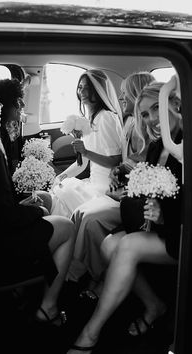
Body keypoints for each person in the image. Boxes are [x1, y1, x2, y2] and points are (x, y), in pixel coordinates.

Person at [66, 81, 182, 353]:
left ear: (175, 104)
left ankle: (89, 335)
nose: (152, 119)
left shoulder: (183, 148)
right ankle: (154, 304)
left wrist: (165, 216)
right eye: (144, 114)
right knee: (108, 244)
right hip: (158, 227)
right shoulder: (156, 148)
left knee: (127, 246)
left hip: (178, 232)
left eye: (156, 108)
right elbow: (153, 188)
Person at [0, 82, 76, 325]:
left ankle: (26, 290)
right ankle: (49, 306)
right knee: (66, 226)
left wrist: (26, 208)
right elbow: (5, 217)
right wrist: (36, 212)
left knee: (42, 207)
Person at [67, 72, 155, 296]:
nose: (121, 96)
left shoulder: (148, 130)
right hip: (123, 190)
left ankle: (87, 276)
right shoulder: (129, 123)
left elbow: (142, 167)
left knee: (89, 218)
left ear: (140, 96)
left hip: (134, 197)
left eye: (125, 93)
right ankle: (81, 271)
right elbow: (127, 161)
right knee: (79, 213)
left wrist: (122, 169)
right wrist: (120, 170)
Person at [50, 69, 124, 219]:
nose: (82, 92)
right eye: (80, 87)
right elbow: (82, 163)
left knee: (61, 198)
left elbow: (115, 161)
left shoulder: (106, 118)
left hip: (105, 189)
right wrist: (61, 177)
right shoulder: (89, 120)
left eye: (87, 88)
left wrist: (86, 152)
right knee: (59, 188)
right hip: (92, 183)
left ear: (98, 92)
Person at [0, 78, 52, 212]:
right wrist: (19, 207)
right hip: (2, 211)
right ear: (5, 104)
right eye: (18, 100)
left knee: (46, 197)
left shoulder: (6, 130)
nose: (23, 105)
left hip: (8, 203)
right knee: (44, 206)